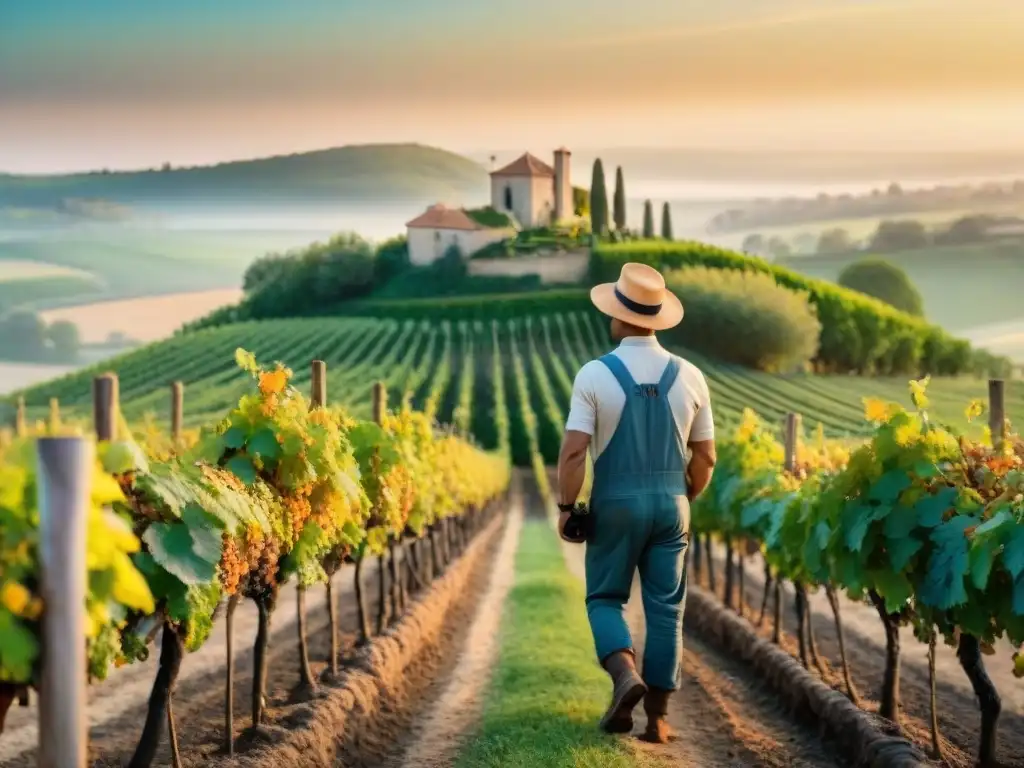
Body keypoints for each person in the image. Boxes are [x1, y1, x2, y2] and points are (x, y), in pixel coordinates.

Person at [556, 261, 716, 744]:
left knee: (605, 597)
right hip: (673, 503)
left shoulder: (595, 374)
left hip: (616, 502)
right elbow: (706, 457)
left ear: (617, 315)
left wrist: (568, 507)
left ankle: (625, 676)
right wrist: (680, 498)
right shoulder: (691, 375)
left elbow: (574, 451)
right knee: (667, 608)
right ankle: (659, 720)